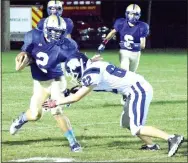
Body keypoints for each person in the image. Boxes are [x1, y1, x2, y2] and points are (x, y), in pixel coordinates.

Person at [43, 53, 184, 157]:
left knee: (136, 127)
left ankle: (172, 138)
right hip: (133, 90)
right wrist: (67, 94)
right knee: (127, 122)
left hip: (138, 90)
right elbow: (80, 88)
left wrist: (55, 102)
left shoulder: (92, 72)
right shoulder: (92, 67)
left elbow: (77, 97)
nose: (73, 75)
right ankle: (151, 145)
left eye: (72, 72)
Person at [10, 15, 81, 152]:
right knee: (35, 115)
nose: (56, 34)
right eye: (53, 30)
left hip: (56, 80)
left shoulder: (66, 44)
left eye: (59, 32)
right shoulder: (33, 37)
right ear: (46, 29)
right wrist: (22, 59)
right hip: (40, 83)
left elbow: (74, 60)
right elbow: (25, 54)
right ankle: (22, 119)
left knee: (56, 111)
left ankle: (73, 143)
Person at [98, 4, 149, 105]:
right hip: (124, 52)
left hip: (136, 53)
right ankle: (125, 95)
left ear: (139, 15)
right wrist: (104, 43)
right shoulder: (121, 23)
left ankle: (128, 93)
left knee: (132, 75)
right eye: (130, 14)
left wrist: (131, 44)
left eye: (135, 14)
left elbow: (142, 45)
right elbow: (112, 32)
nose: (132, 16)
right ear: (126, 14)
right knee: (125, 74)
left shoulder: (142, 26)